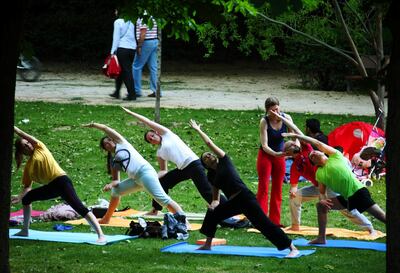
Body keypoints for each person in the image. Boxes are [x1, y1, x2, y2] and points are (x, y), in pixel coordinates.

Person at [189, 119, 299, 257]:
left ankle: (292, 247)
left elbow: (209, 143)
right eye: (206, 158)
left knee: (263, 224)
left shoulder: (224, 161)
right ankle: (207, 244)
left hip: (245, 198)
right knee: (213, 213)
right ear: (205, 165)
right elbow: (216, 193)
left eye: (209, 154)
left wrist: (198, 130)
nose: (209, 156)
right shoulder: (212, 176)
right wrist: (214, 203)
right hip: (234, 202)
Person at [270, 111, 374, 233]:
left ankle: (369, 227)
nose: (294, 144)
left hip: (329, 184)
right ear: (288, 153)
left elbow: (296, 130)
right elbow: (293, 185)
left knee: (346, 209)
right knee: (295, 197)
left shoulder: (306, 148)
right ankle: (295, 226)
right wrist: (293, 190)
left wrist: (282, 118)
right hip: (318, 187)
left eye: (293, 143)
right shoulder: (295, 167)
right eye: (290, 146)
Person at [282, 132, 386, 244]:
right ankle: (321, 238)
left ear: (323, 154)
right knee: (320, 206)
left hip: (359, 192)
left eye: (316, 151)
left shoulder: (335, 156)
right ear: (314, 163)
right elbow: (321, 191)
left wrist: (296, 135)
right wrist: (323, 200)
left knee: (380, 216)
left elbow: (316, 143)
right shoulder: (319, 173)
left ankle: (373, 228)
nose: (314, 152)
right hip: (346, 197)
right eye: (312, 156)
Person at [120, 107, 227, 215]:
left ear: (157, 133)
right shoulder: (159, 153)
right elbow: (163, 171)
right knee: (162, 183)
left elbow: (148, 122)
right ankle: (155, 210)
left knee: (206, 192)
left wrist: (131, 113)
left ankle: (229, 207)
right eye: (150, 140)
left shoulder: (167, 134)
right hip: (183, 169)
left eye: (152, 136)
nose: (152, 139)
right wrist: (152, 178)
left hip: (194, 165)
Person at [12, 126, 106, 243]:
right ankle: (25, 230)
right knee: (27, 199)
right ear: (22, 152)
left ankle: (101, 235)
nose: (28, 146)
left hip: (62, 182)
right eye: (24, 146)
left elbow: (23, 133)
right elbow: (27, 187)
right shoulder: (28, 167)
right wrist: (19, 197)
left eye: (27, 143)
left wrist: (13, 128)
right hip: (51, 187)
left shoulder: (39, 147)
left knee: (79, 208)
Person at [82, 122, 186, 224]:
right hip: (136, 179)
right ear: (106, 149)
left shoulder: (122, 143)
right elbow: (116, 181)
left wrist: (94, 125)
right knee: (116, 191)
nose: (108, 143)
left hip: (145, 173)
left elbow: (106, 128)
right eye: (105, 144)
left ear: (113, 140)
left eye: (109, 140)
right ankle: (106, 218)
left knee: (162, 199)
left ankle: (184, 221)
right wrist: (110, 185)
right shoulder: (114, 161)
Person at [256, 97, 294, 226]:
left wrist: (293, 151)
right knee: (263, 187)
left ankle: (275, 221)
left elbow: (294, 136)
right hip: (266, 155)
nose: (275, 112)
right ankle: (261, 220)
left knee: (277, 188)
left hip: (280, 156)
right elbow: (265, 145)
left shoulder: (287, 118)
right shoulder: (264, 122)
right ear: (267, 111)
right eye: (272, 110)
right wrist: (276, 154)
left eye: (277, 109)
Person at [109, 8, 137, 101]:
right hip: (132, 49)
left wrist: (112, 51)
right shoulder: (131, 21)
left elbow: (116, 37)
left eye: (116, 10)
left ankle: (132, 94)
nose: (115, 12)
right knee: (122, 71)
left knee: (126, 72)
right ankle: (117, 92)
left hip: (122, 48)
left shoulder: (118, 22)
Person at [133, 15, 159, 98]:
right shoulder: (153, 16)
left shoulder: (143, 17)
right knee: (153, 67)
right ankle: (157, 90)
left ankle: (136, 90)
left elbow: (143, 32)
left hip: (146, 42)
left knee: (136, 66)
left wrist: (139, 46)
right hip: (154, 40)